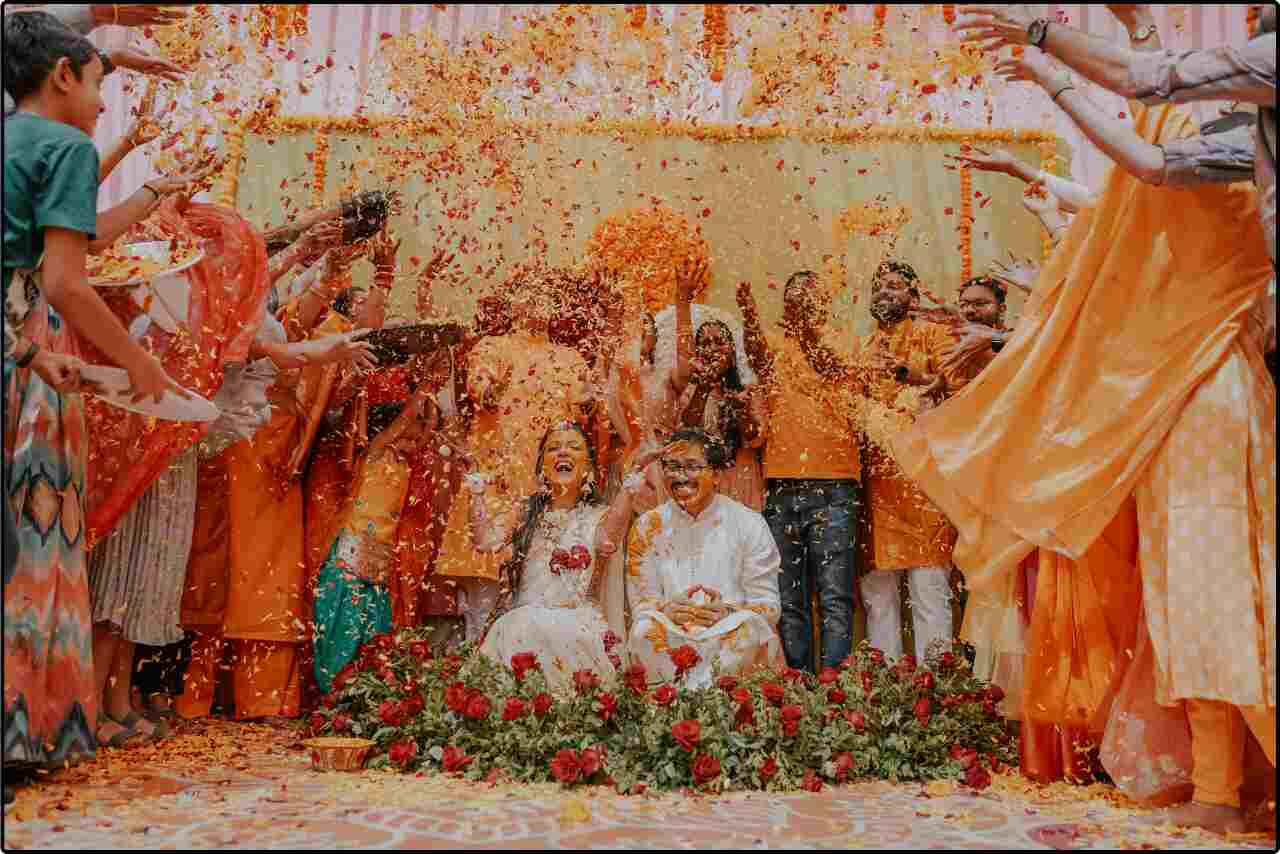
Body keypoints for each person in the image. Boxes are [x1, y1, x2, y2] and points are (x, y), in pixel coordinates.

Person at [891, 79, 1274, 832]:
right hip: (1188, 403)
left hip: (1208, 406)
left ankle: (1222, 792)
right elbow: (1131, 192)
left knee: (1209, 591)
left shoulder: (1234, 200)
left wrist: (1064, 70)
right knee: (1188, 595)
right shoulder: (1201, 209)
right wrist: (1044, 167)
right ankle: (1219, 785)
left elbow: (1150, 160)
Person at [3, 11, 182, 761]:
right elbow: (69, 283)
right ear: (65, 75)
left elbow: (77, 234)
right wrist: (138, 364)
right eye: (101, 84)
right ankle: (25, 730)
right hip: (31, 351)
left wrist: (151, 197)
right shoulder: (66, 143)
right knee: (35, 538)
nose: (104, 106)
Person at [434, 269, 591, 643]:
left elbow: (581, 419)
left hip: (548, 495)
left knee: (541, 596)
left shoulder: (571, 360)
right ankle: (479, 686)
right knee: (484, 612)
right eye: (529, 292)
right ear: (513, 303)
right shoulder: (492, 348)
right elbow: (480, 392)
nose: (538, 301)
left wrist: (595, 400)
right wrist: (490, 387)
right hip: (497, 489)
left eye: (546, 293)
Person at [736, 271, 861, 673]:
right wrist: (750, 316)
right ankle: (797, 690)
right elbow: (756, 355)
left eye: (807, 296)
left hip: (834, 487)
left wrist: (806, 329)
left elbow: (829, 367)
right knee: (788, 599)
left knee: (834, 598)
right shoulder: (776, 343)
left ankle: (834, 691)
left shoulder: (846, 339)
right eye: (791, 297)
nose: (799, 302)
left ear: (823, 301)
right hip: (782, 487)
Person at [473, 422, 640, 692]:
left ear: (587, 467)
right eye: (553, 448)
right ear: (542, 467)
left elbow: (608, 541)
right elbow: (484, 541)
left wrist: (630, 487)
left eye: (573, 447)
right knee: (519, 626)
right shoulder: (525, 511)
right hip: (521, 624)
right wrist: (478, 494)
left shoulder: (598, 515)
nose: (562, 452)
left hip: (576, 626)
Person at [851, 261, 957, 663]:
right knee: (880, 600)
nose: (884, 293)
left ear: (914, 296)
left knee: (929, 592)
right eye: (877, 286)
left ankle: (940, 698)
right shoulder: (861, 348)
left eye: (894, 286)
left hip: (926, 489)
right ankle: (886, 699)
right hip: (877, 491)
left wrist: (915, 378)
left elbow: (960, 390)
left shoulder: (936, 337)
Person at [313, 379, 444, 693]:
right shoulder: (374, 455)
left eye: (416, 439)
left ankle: (365, 694)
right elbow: (402, 423)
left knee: (373, 630)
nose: (414, 444)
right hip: (350, 554)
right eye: (408, 436)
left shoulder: (404, 462)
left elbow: (427, 429)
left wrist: (433, 392)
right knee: (342, 625)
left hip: (379, 560)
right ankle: (333, 691)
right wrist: (424, 384)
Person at [627, 429, 783, 688]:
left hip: (729, 632)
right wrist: (665, 609)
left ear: (717, 475)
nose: (680, 476)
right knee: (644, 630)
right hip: (671, 632)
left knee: (750, 631)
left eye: (691, 467)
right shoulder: (648, 525)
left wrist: (729, 612)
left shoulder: (748, 523)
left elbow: (768, 605)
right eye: (672, 467)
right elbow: (641, 602)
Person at [668, 265, 767, 511]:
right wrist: (703, 389)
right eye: (705, 343)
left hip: (741, 481)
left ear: (733, 351)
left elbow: (755, 438)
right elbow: (687, 430)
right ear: (698, 353)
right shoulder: (692, 389)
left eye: (719, 342)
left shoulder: (749, 389)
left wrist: (741, 412)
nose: (712, 348)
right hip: (703, 486)